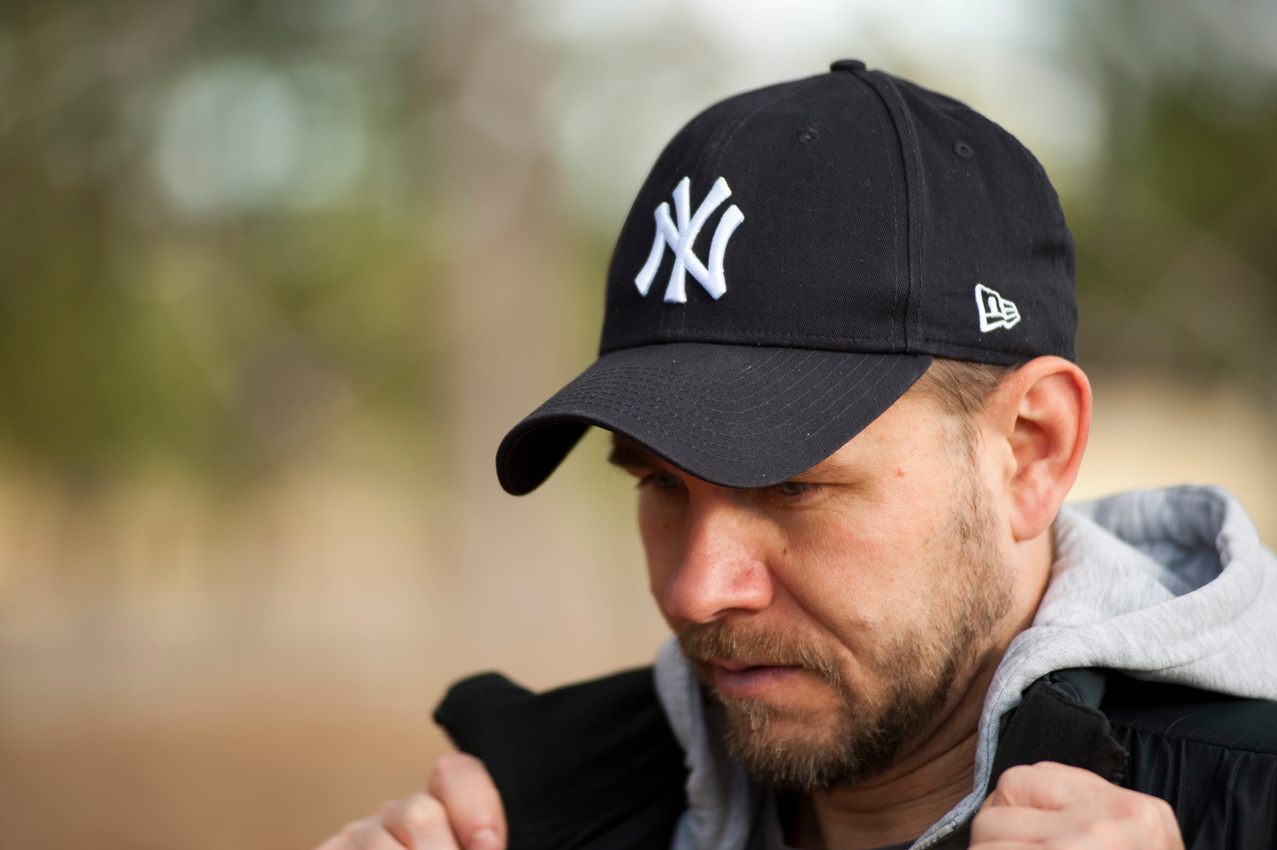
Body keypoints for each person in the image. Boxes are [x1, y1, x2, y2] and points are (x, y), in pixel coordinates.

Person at [317, 61, 1277, 850]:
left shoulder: (1240, 805)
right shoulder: (530, 815)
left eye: (790, 483)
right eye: (658, 482)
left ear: (1031, 450)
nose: (697, 592)